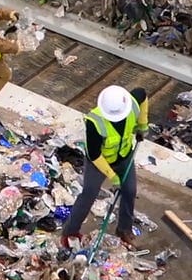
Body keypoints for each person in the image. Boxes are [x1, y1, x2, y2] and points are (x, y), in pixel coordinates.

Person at [61, 85, 148, 248]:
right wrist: (112, 176)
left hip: (124, 156)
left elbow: (142, 94)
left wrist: (142, 124)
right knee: (88, 194)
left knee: (129, 191)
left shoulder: (131, 105)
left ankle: (124, 229)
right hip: (99, 162)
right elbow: (94, 154)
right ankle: (70, 232)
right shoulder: (95, 122)